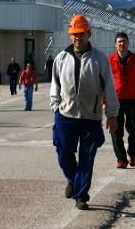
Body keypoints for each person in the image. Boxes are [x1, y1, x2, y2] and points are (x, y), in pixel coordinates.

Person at [50, 14, 119, 211]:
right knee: (64, 154)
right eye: (74, 34)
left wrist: (112, 114)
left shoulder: (99, 59)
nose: (77, 38)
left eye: (81, 34)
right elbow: (55, 86)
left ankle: (81, 196)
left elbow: (110, 89)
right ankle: (73, 180)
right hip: (65, 116)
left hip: (91, 117)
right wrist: (56, 108)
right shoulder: (61, 59)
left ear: (89, 34)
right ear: (69, 35)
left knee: (87, 158)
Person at [108, 33, 135, 169]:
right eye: (119, 42)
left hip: (133, 100)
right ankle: (121, 159)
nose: (122, 44)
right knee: (116, 131)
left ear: (128, 43)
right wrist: (104, 102)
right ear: (115, 44)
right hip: (115, 101)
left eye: (124, 41)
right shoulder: (109, 60)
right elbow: (105, 83)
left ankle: (132, 154)